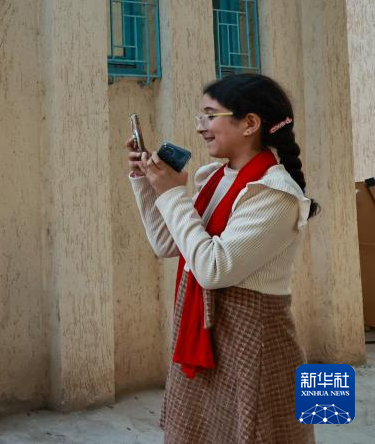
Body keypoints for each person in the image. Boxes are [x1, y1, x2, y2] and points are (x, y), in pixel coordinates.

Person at [128, 73, 317, 443]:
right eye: (201, 116)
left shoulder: (275, 193)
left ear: (250, 123)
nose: (201, 127)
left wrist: (172, 194)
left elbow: (214, 268)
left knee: (257, 433)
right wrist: (149, 185)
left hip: (252, 344)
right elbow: (168, 243)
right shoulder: (213, 177)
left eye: (210, 115)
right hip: (203, 337)